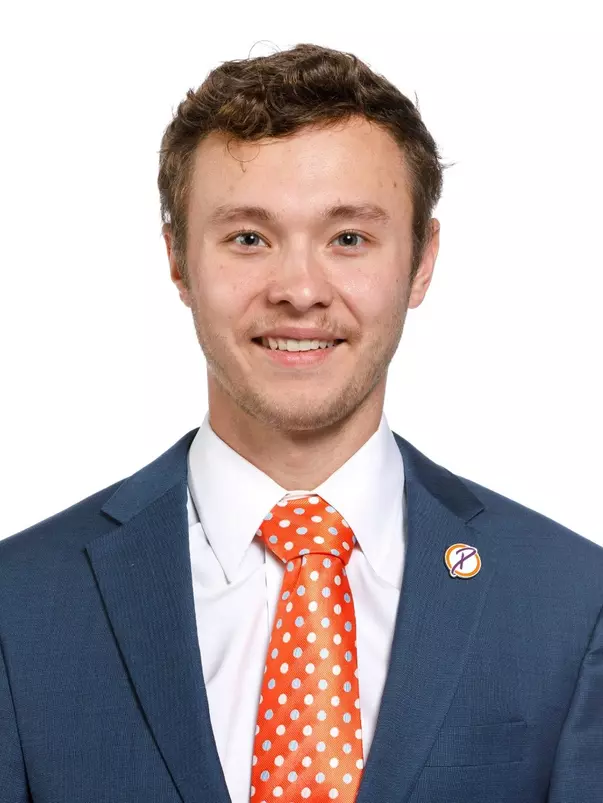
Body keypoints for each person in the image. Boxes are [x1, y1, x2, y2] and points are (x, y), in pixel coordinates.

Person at [1, 42, 601, 803]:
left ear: (420, 262)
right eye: (248, 238)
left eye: (348, 238)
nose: (299, 289)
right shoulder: (19, 607)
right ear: (178, 261)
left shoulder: (570, 601)